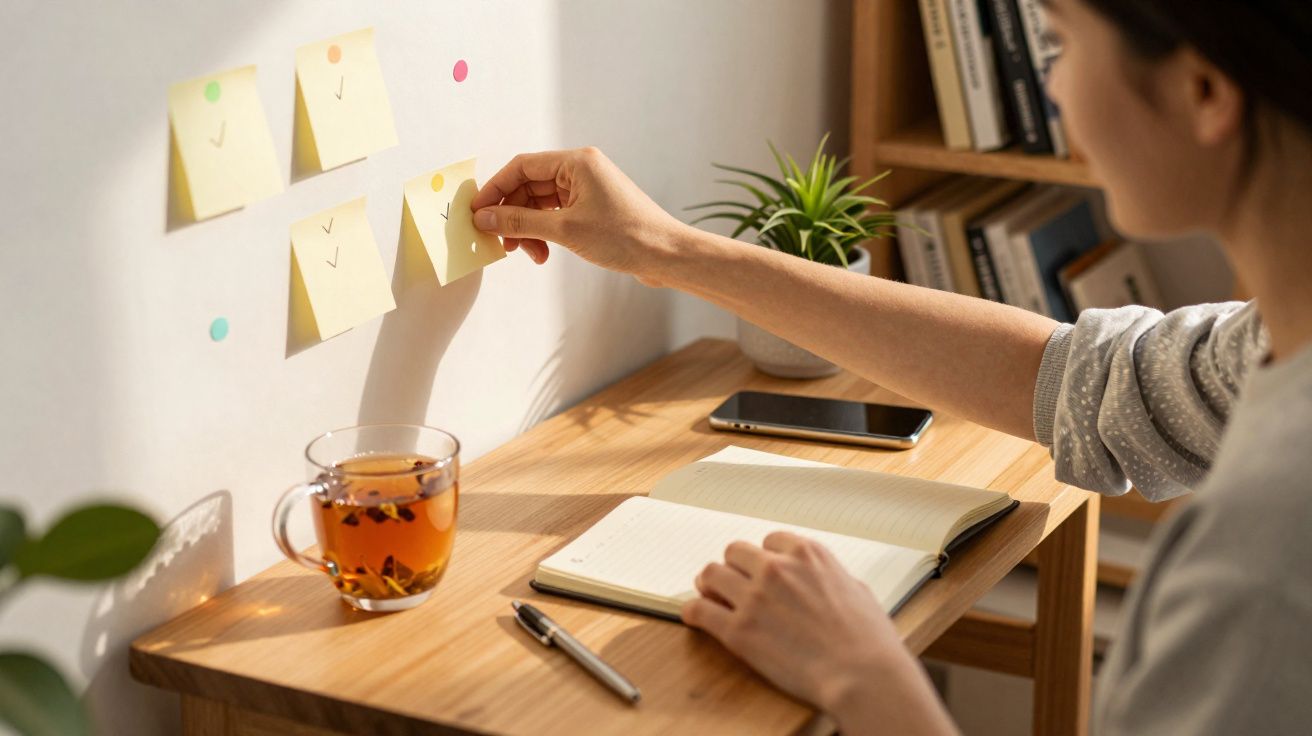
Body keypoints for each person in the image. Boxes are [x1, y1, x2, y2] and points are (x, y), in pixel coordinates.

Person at [470, 0, 1312, 730]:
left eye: (1061, 44)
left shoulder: (1268, 551)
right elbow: (1087, 383)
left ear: (1204, 91)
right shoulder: (1267, 350)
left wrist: (864, 675)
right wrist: (667, 250)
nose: (1052, 87)